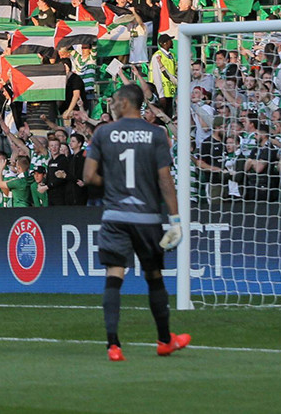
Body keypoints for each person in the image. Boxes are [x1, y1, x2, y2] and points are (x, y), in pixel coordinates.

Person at [83, 85, 190, 361]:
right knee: (154, 276)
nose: (112, 105)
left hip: (116, 216)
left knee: (114, 276)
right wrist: (175, 219)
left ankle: (113, 345)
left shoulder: (103, 132)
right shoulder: (156, 133)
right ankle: (165, 340)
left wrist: (113, 187)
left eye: (114, 101)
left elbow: (89, 175)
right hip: (147, 217)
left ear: (125, 102)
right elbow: (165, 179)